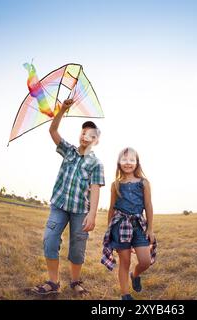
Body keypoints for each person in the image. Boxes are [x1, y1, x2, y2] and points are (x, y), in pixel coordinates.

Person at [32, 99, 105, 295]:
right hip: (60, 206)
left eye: (91, 134)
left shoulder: (96, 164)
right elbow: (53, 132)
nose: (85, 136)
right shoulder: (69, 151)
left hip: (81, 210)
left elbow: (96, 189)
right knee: (50, 240)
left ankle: (75, 281)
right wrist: (62, 110)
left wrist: (93, 214)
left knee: (77, 248)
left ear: (96, 140)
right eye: (83, 132)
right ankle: (53, 283)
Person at [101, 147, 157, 300]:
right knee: (124, 262)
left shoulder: (143, 183)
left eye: (132, 160)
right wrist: (109, 230)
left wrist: (150, 228)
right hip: (120, 227)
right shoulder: (115, 185)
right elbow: (111, 209)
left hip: (139, 225)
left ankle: (136, 274)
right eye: (124, 159)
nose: (128, 163)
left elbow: (148, 205)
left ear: (137, 163)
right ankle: (125, 295)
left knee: (145, 261)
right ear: (119, 162)